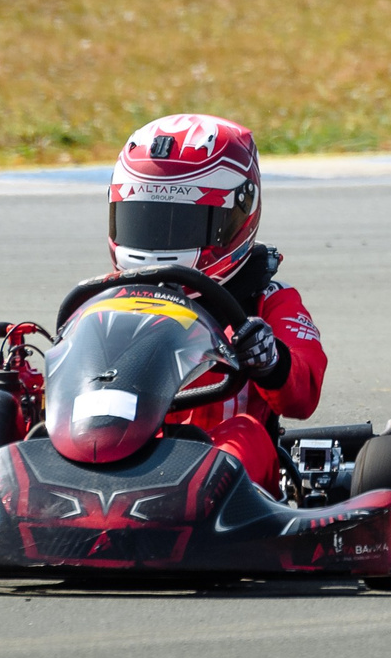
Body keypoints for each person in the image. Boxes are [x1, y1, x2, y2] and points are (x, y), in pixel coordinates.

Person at [106, 113, 325, 490]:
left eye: (182, 223)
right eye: (146, 221)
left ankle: (193, 502)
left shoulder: (267, 301)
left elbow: (302, 395)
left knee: (245, 432)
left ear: (238, 215)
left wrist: (269, 360)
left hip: (222, 467)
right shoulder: (105, 302)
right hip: (117, 449)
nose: (160, 240)